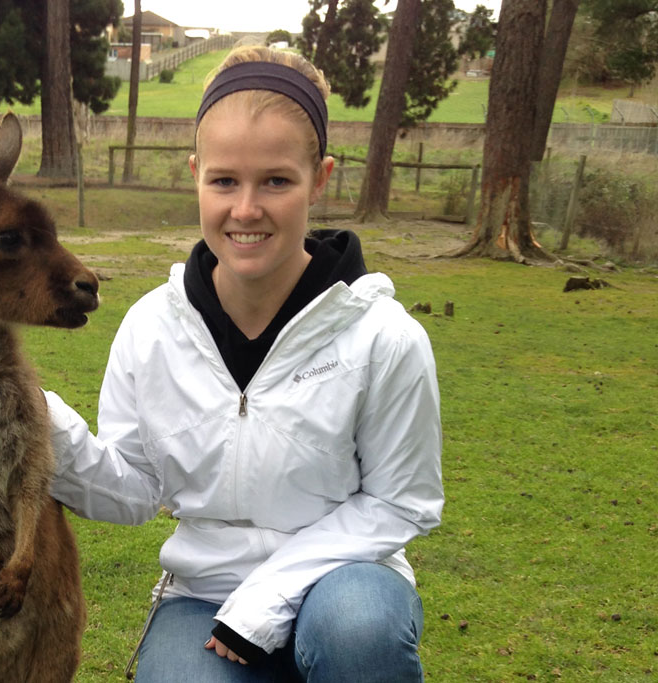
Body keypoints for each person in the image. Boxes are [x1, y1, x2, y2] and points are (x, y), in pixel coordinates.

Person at [44, 45, 443, 682]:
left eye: (276, 181)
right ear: (195, 173)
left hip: (346, 581)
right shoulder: (152, 328)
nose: (246, 209)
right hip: (205, 594)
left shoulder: (383, 338)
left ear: (321, 179)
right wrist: (38, 419)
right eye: (225, 180)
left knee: (360, 632)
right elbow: (136, 490)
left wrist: (267, 599)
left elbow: (402, 503)